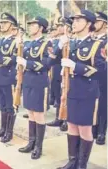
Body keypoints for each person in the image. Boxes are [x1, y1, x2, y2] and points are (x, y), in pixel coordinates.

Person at [57, 10, 106, 169]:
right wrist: (59, 46)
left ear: (89, 24)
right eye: (74, 20)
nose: (74, 23)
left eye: (79, 20)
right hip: (71, 90)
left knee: (85, 129)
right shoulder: (70, 43)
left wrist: (75, 67)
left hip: (87, 92)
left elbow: (102, 71)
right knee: (71, 126)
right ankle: (72, 161)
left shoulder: (97, 45)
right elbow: (55, 60)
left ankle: (81, 164)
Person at [16, 16, 52, 160]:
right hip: (28, 81)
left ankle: (39, 146)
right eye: (29, 25)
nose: (30, 27)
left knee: (39, 115)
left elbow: (46, 64)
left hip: (39, 82)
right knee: (30, 112)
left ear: (41, 28)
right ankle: (31, 142)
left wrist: (27, 63)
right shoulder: (29, 44)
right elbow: (21, 59)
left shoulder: (47, 43)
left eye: (33, 25)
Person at [0, 13, 18, 143]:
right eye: (1, 23)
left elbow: (13, 59)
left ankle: (9, 132)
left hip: (9, 77)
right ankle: (3, 128)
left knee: (10, 106)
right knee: (2, 104)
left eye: (5, 23)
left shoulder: (15, 41)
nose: (2, 25)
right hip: (0, 76)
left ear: (12, 25)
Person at [92, 11, 107, 145]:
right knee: (92, 104)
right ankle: (94, 128)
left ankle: (101, 131)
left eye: (97, 21)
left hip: (103, 77)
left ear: (104, 24)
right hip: (91, 78)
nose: (94, 24)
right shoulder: (91, 39)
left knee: (102, 104)